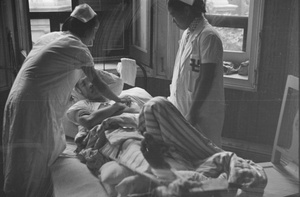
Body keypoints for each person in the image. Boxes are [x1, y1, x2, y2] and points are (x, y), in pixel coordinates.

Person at [2, 4, 130, 197]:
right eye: (95, 32)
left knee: (25, 151)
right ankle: (29, 191)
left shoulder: (51, 37)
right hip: (36, 102)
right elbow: (97, 83)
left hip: (18, 96)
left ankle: (22, 189)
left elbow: (95, 81)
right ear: (89, 29)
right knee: (34, 155)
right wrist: (118, 101)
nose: (94, 38)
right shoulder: (78, 48)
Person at [167, 0, 225, 147]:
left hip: (202, 112)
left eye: (174, 15)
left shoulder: (208, 36)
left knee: (205, 154)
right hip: (183, 107)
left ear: (186, 11)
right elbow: (182, 74)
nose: (173, 20)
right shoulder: (188, 33)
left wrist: (192, 113)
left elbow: (206, 78)